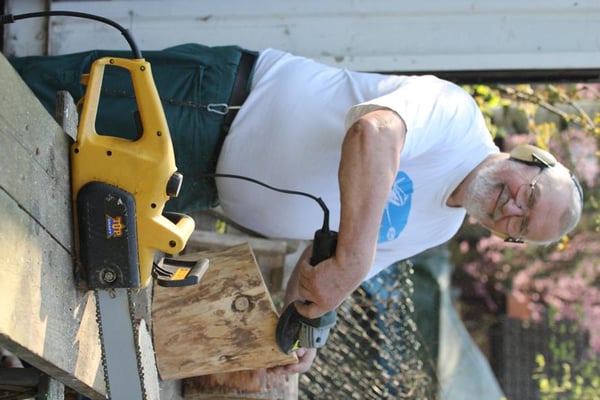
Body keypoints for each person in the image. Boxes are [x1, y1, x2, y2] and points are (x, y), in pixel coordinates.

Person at [9, 44, 584, 374]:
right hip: (210, 108)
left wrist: (305, 326)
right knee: (20, 104)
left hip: (198, 186)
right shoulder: (456, 117)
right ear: (529, 158)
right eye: (528, 194)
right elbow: (374, 132)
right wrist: (353, 259)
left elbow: (329, 265)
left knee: (39, 181)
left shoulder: (441, 225)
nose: (512, 207)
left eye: (520, 226)